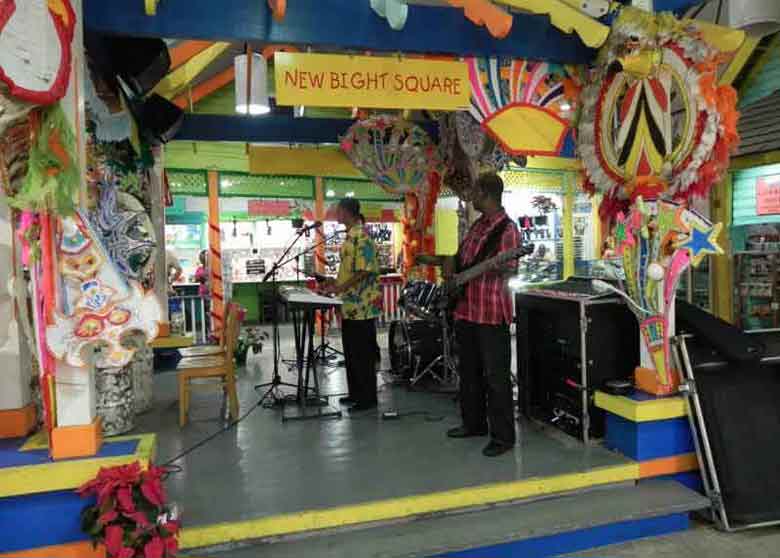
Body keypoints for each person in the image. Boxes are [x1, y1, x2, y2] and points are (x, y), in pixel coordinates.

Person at [416, 173, 520, 457]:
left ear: (485, 193)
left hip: (491, 313)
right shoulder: (476, 227)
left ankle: (503, 437)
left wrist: (490, 266)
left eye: (474, 190)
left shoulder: (507, 230)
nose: (470, 195)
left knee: (496, 379)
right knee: (469, 374)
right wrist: (447, 262)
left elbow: (510, 268)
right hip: (467, 310)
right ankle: (473, 424)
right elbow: (463, 259)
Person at [321, 199, 382, 411]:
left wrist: (340, 288)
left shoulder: (361, 236)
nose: (335, 214)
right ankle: (356, 393)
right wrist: (334, 282)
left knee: (363, 354)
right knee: (352, 353)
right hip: (349, 306)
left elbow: (364, 270)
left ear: (347, 212)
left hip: (362, 306)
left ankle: (367, 398)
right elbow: (350, 270)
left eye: (338, 211)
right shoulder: (349, 236)